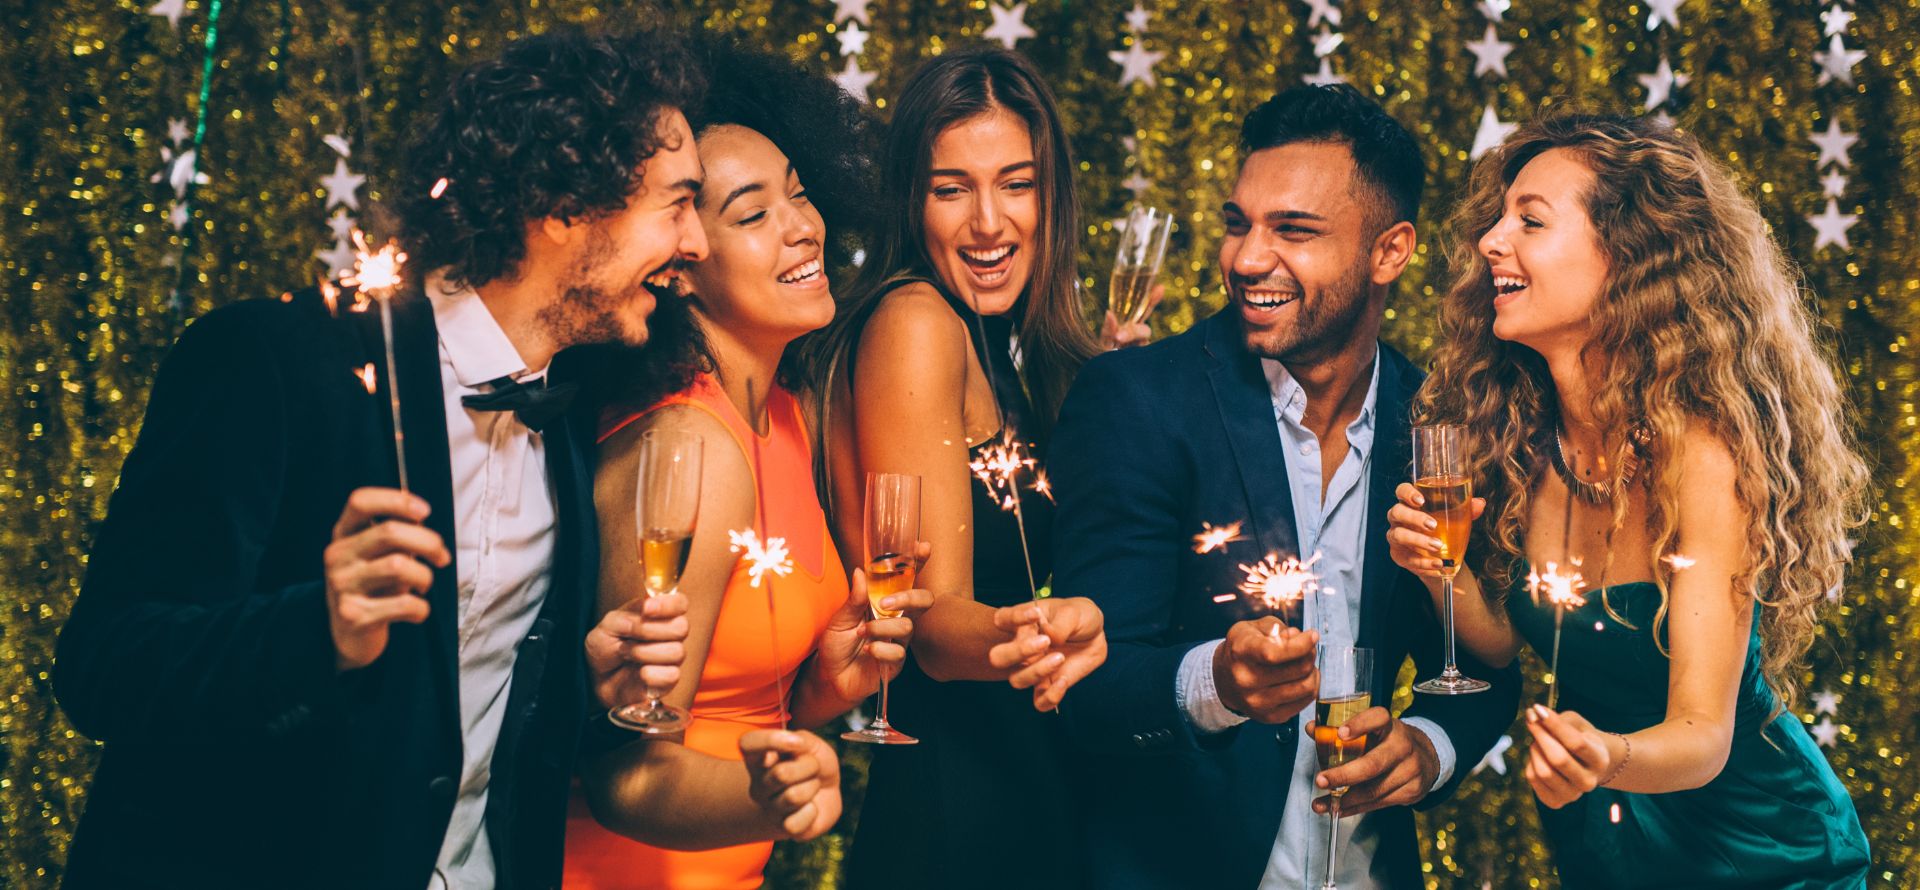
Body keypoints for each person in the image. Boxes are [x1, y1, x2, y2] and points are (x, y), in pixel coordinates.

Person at [52, 29, 705, 889]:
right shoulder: (276, 359)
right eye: (677, 203)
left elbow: (466, 709)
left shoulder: (572, 410)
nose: (697, 242)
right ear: (562, 206)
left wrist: (587, 686)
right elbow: (105, 667)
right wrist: (313, 628)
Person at [1048, 84, 1520, 888]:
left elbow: (1482, 661)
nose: (1246, 258)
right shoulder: (1137, 401)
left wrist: (1429, 750)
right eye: (1240, 224)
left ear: (1389, 251)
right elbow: (1083, 685)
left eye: (1293, 231)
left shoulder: (1440, 426)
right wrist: (1218, 684)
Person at [1386, 112, 1872, 888]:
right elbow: (1504, 646)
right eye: (1498, 217)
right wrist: (1442, 574)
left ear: (1626, 257)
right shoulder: (1516, 437)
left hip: (1755, 848)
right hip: (1606, 840)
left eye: (1530, 221)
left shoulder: (1703, 456)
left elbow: (1703, 735)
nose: (1490, 241)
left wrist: (1602, 756)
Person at [561, 37, 928, 890]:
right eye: (755, 214)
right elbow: (628, 775)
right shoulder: (690, 444)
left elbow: (744, 711)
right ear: (683, 263)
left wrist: (830, 685)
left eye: (800, 196)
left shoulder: (789, 415)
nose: (804, 227)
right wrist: (781, 797)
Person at [805, 47, 1112, 890]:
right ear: (912, 199)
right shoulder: (916, 318)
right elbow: (931, 624)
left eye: (1016, 184)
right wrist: (1049, 631)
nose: (988, 222)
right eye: (952, 189)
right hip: (961, 808)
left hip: (1027, 783)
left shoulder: (999, 343)